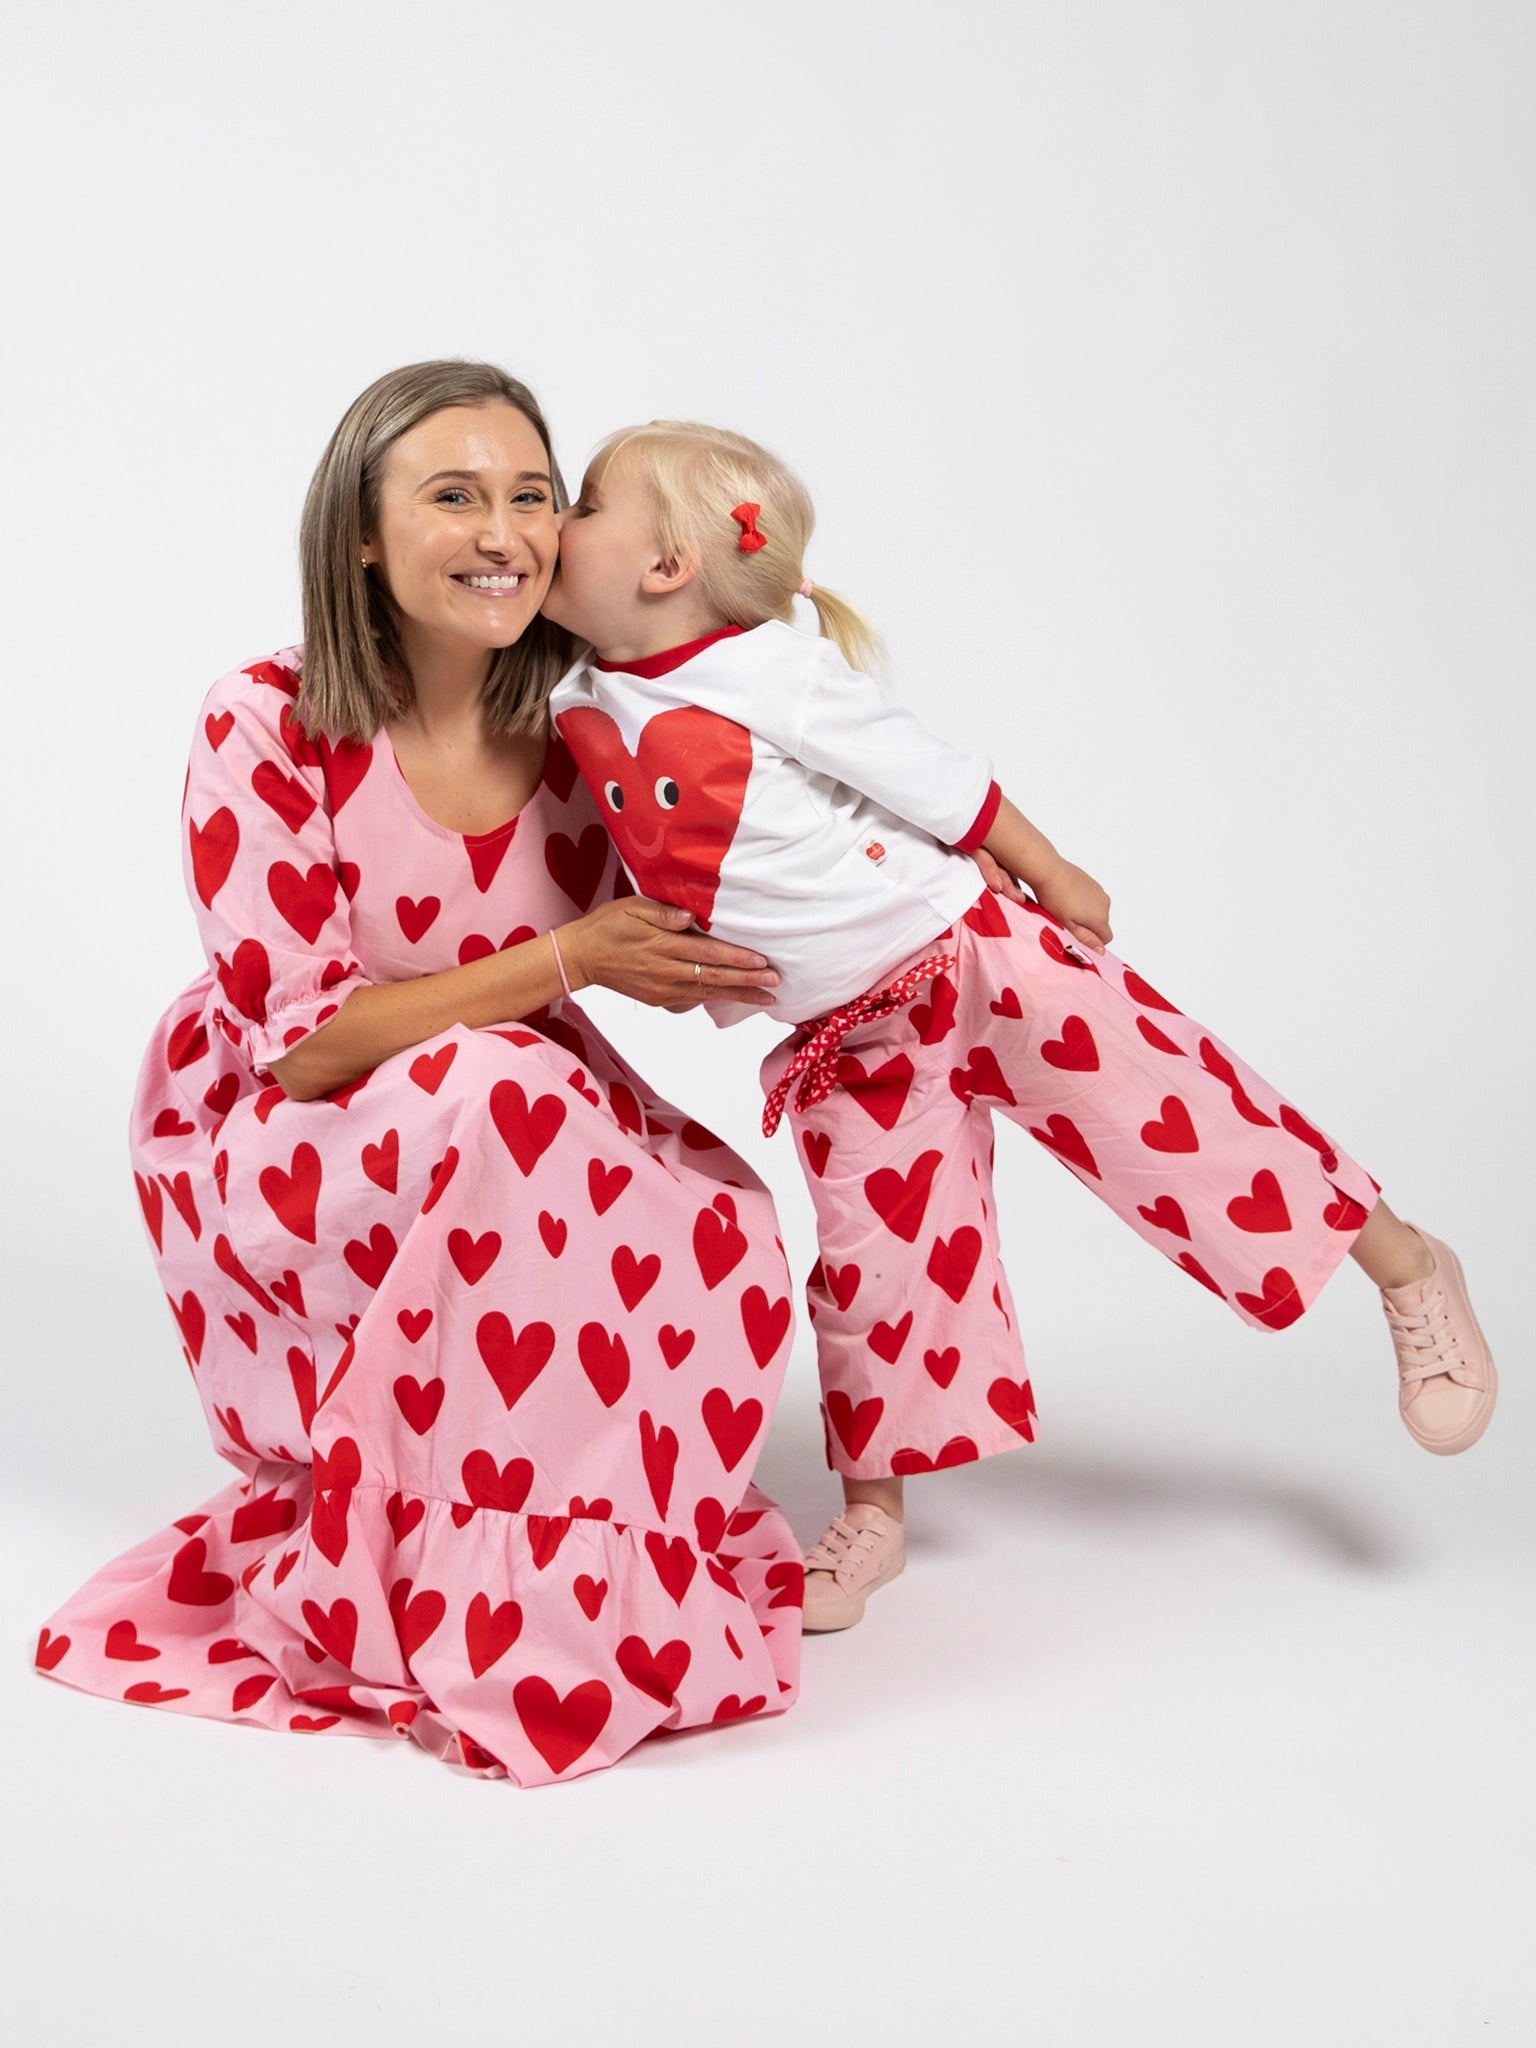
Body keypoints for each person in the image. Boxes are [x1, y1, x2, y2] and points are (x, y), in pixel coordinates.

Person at [541, 419, 1499, 1634]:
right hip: (848, 1038)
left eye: (578, 501)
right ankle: (876, 1509)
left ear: (666, 564)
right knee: (870, 1267)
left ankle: (1409, 1266)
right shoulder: (574, 688)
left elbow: (940, 779)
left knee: (1188, 1121)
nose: (551, 526)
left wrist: (1050, 867)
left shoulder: (770, 670)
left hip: (978, 956)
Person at [33, 366, 805, 1783]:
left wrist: (932, 937)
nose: (502, 527)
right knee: (508, 1102)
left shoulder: (588, 736)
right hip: (294, 1121)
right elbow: (307, 1040)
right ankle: (456, 1592)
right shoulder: (264, 720)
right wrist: (573, 960)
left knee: (722, 1217)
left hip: (520, 1095)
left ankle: (592, 1575)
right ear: (365, 540)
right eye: (453, 494)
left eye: (531, 494)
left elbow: (756, 870)